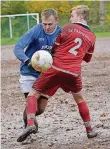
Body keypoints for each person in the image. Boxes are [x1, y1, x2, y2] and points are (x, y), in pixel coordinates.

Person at [17, 5, 98, 142]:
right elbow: (87, 59)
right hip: (74, 72)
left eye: (72, 15)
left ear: (80, 16)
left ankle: (30, 125)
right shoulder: (92, 36)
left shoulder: (66, 28)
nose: (71, 18)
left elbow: (55, 48)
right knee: (79, 99)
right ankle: (89, 130)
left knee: (33, 94)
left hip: (56, 68)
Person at [13, 8, 61, 128]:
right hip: (29, 72)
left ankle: (31, 119)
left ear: (57, 21)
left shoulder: (61, 33)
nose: (47, 27)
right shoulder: (36, 30)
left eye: (50, 24)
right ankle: (28, 130)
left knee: (40, 109)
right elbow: (18, 47)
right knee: (31, 105)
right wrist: (28, 61)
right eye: (44, 24)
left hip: (46, 74)